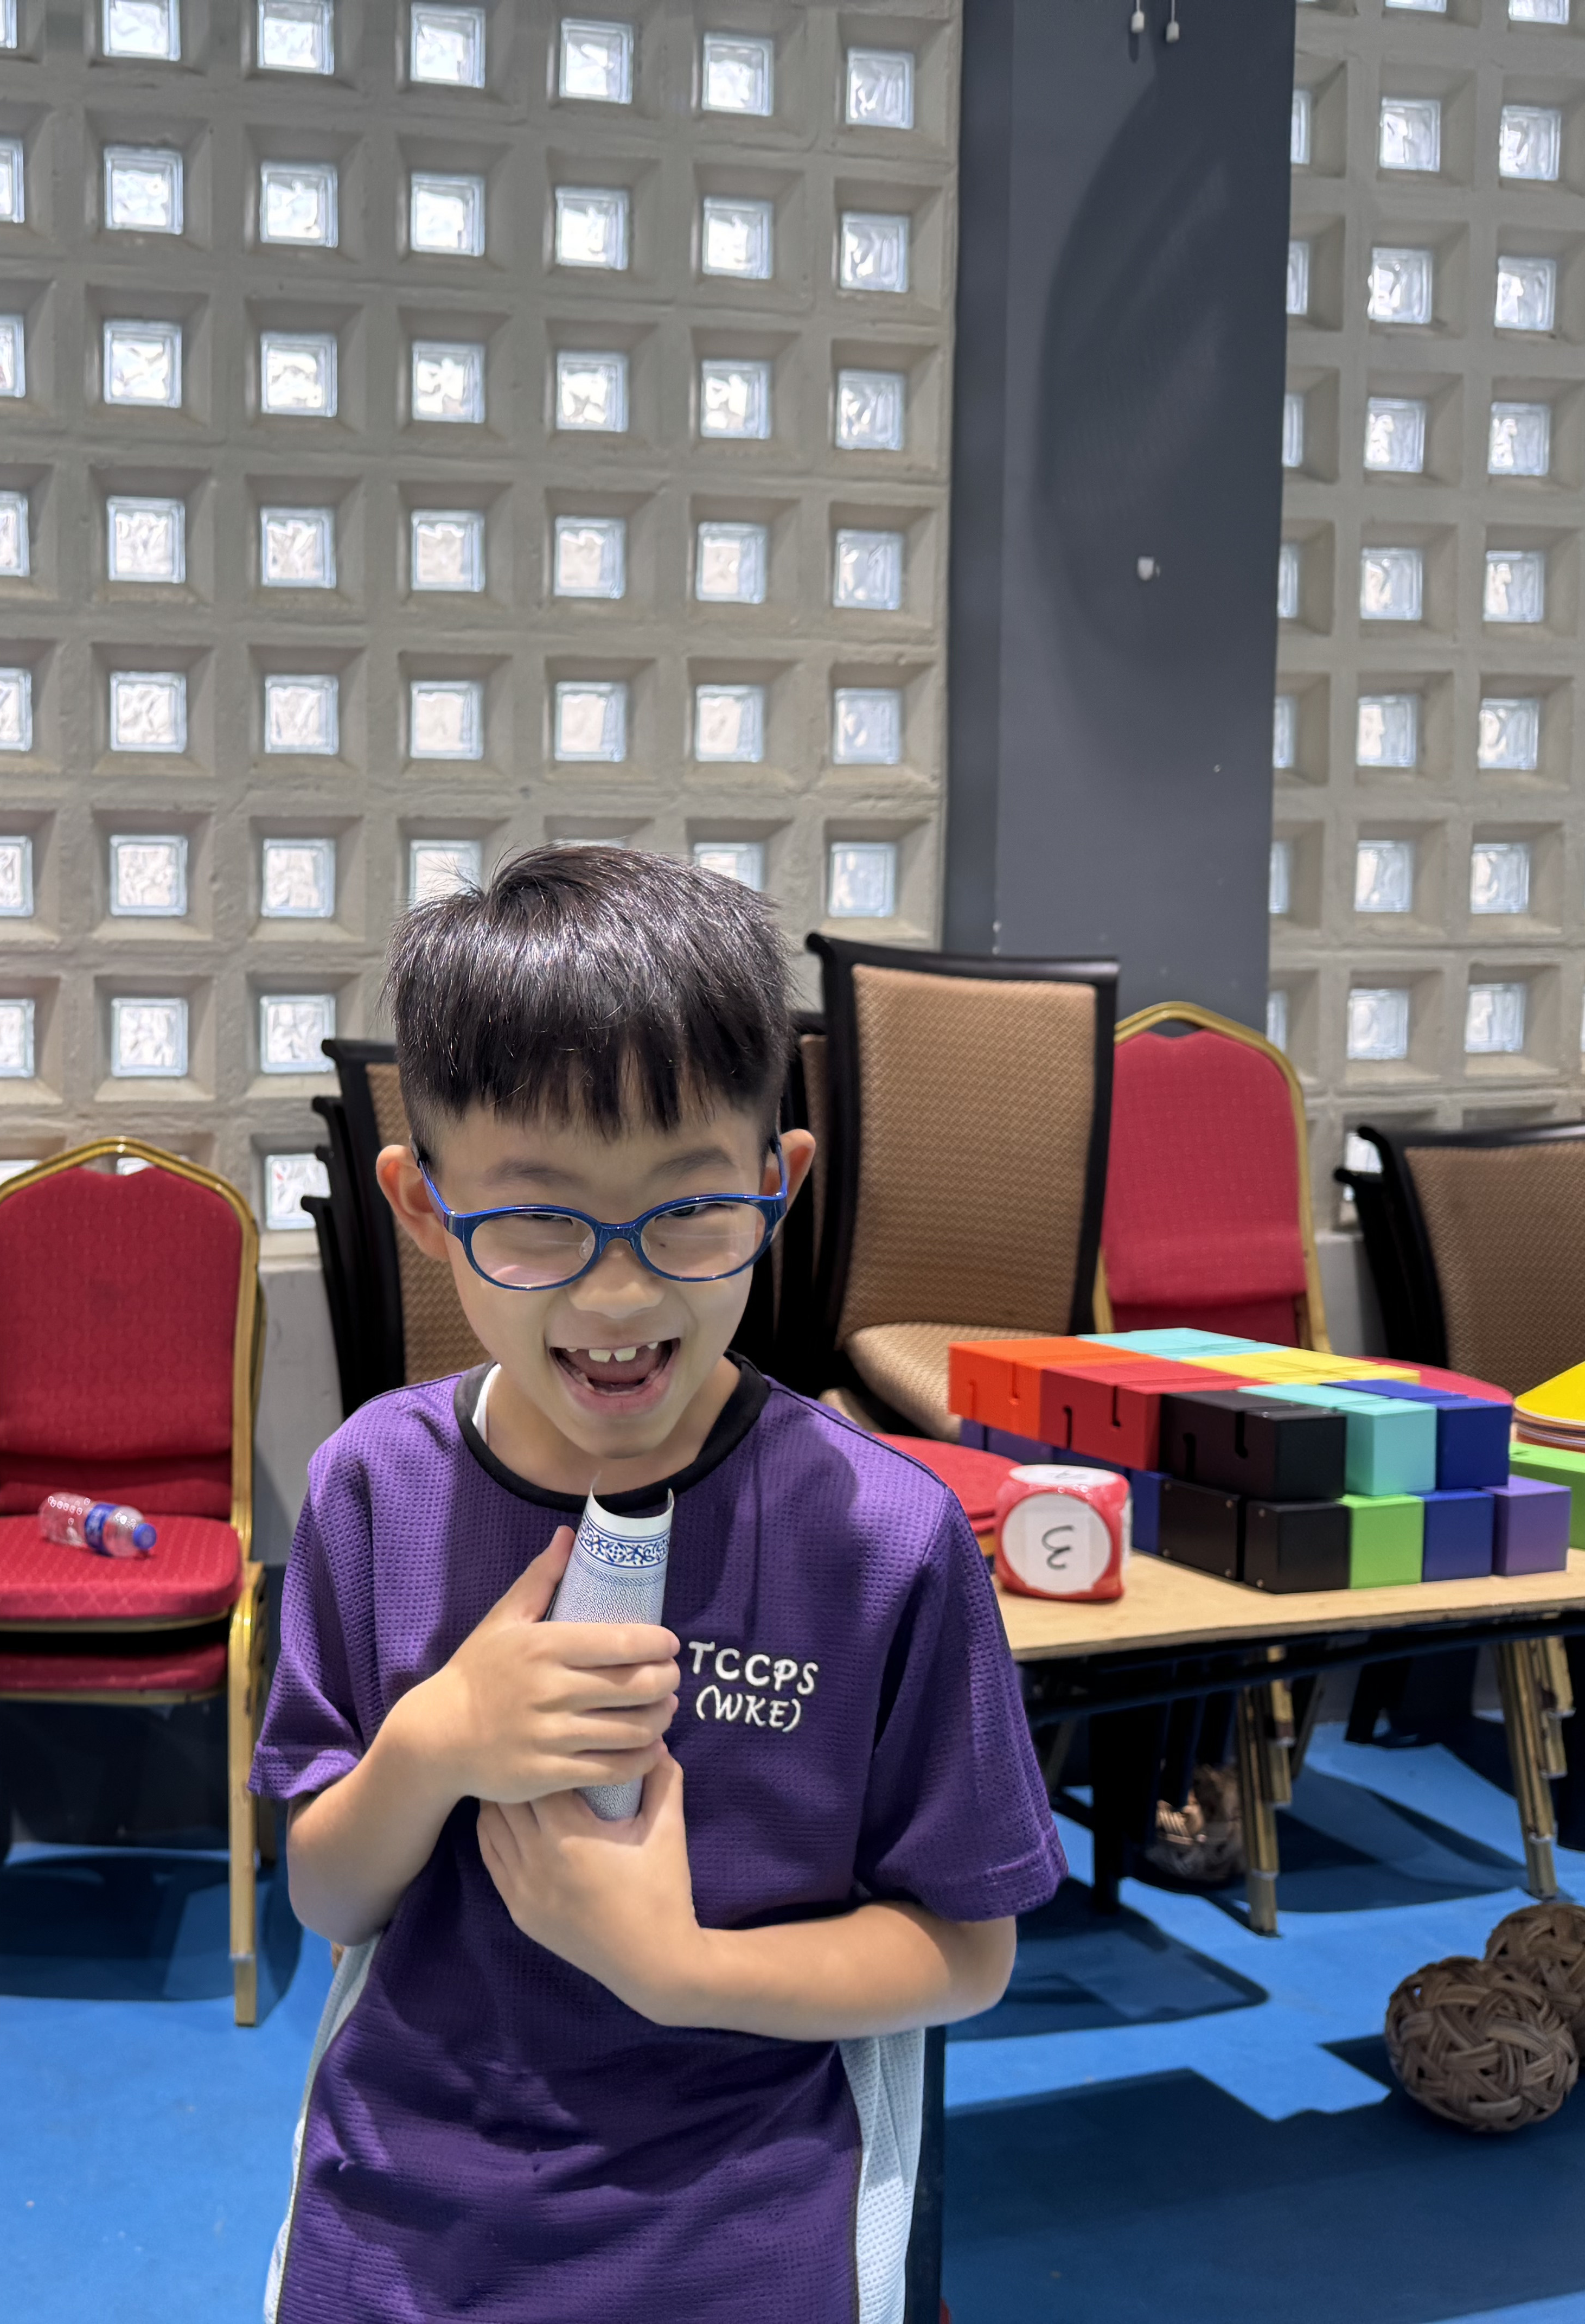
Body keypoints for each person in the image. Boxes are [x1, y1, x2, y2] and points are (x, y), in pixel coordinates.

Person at [255, 845, 1063, 2323]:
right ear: (424, 1207)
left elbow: (966, 1948)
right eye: (538, 1217)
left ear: (778, 1184)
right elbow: (328, 1892)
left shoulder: (882, 1534)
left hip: (738, 2232)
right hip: (400, 2231)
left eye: (689, 1211)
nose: (618, 1293)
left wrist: (677, 1969)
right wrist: (435, 1742)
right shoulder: (376, 1485)